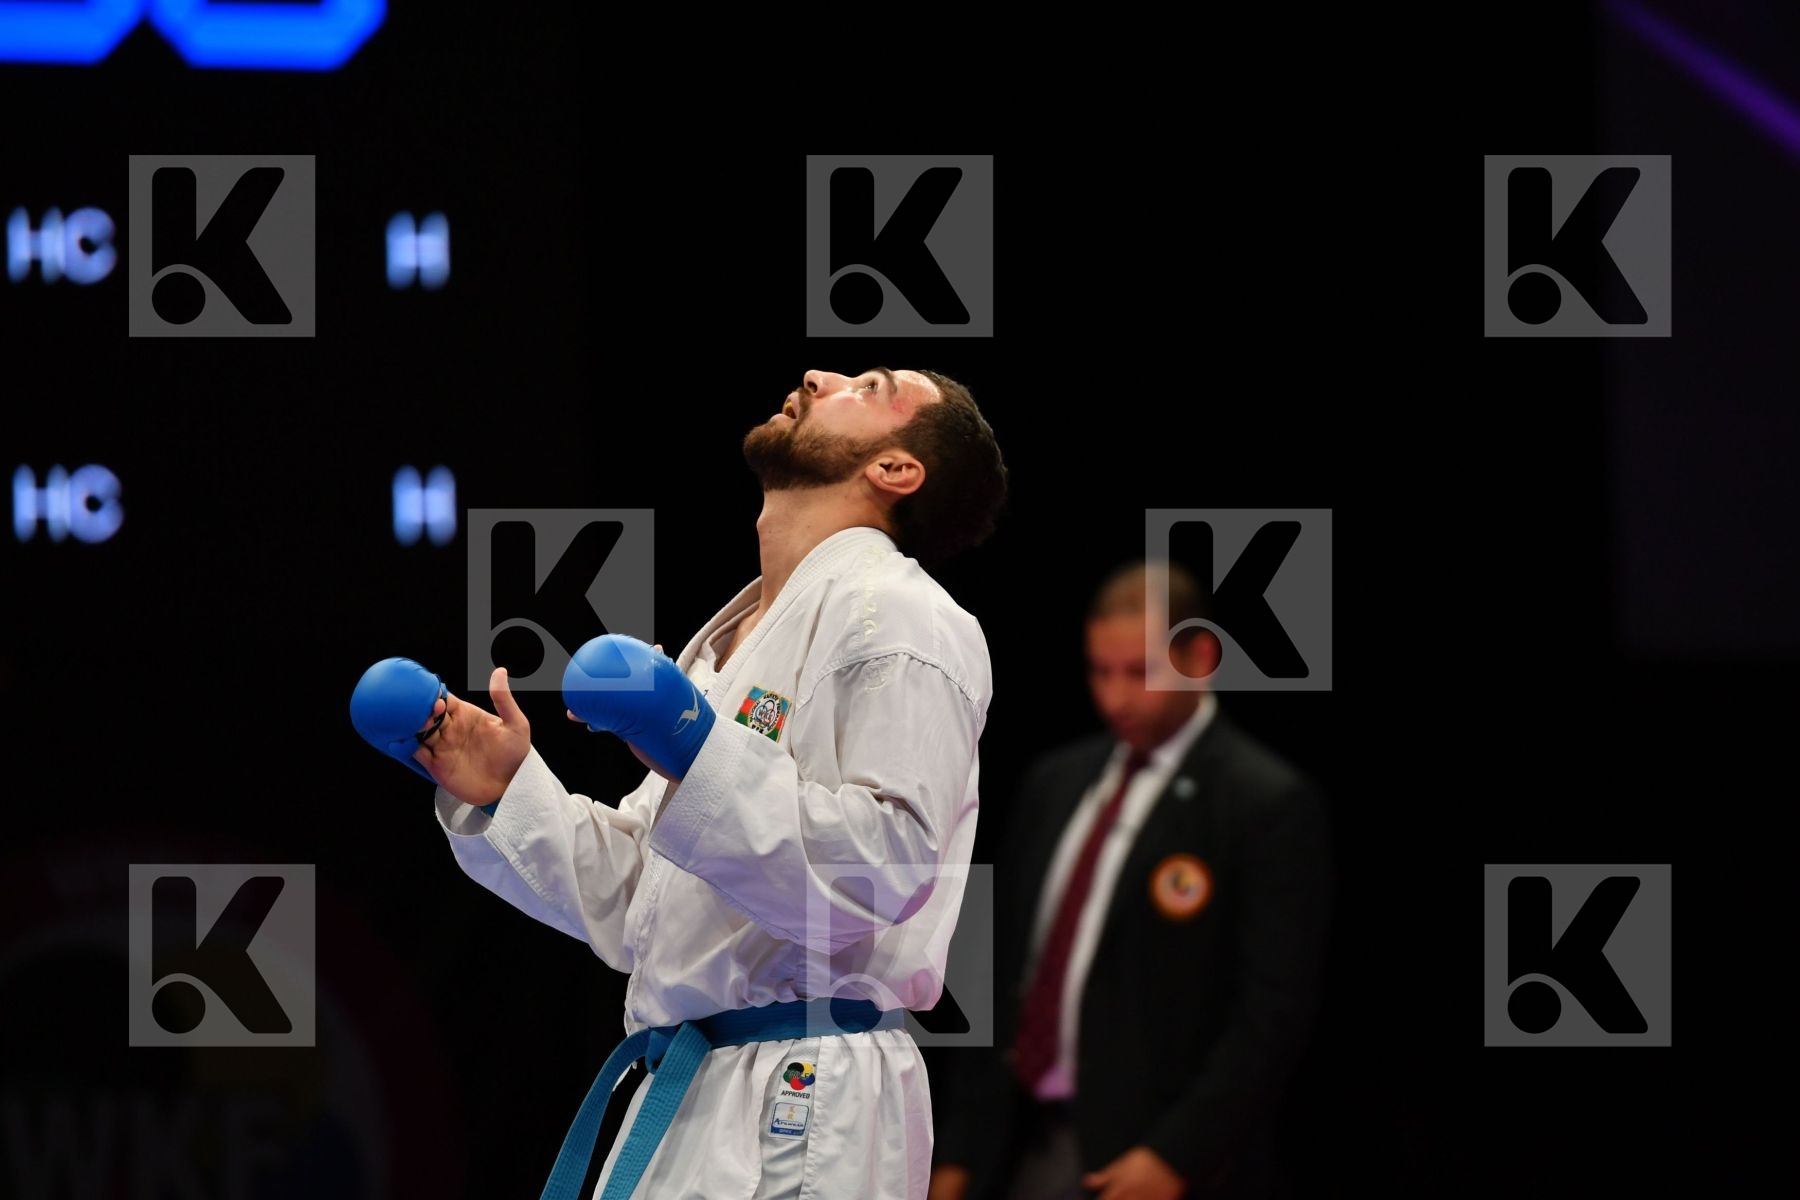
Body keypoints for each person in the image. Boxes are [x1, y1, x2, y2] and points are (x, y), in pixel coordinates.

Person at [401, 368, 1004, 1199]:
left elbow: (886, 867)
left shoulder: (906, 616)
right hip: (685, 1085)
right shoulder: (734, 639)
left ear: (896, 470)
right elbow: (643, 907)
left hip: (804, 1091)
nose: (818, 376)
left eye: (870, 387)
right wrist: (508, 793)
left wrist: (696, 747)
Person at [929, 562, 1331, 1200]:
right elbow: (999, 968)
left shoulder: (1264, 804)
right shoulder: (1054, 782)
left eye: (1141, 672)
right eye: (1100, 671)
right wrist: (957, 1147)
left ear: (1200, 658)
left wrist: (1177, 1155)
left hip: (1150, 1155)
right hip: (1018, 1141)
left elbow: (1270, 1015)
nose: (1115, 698)